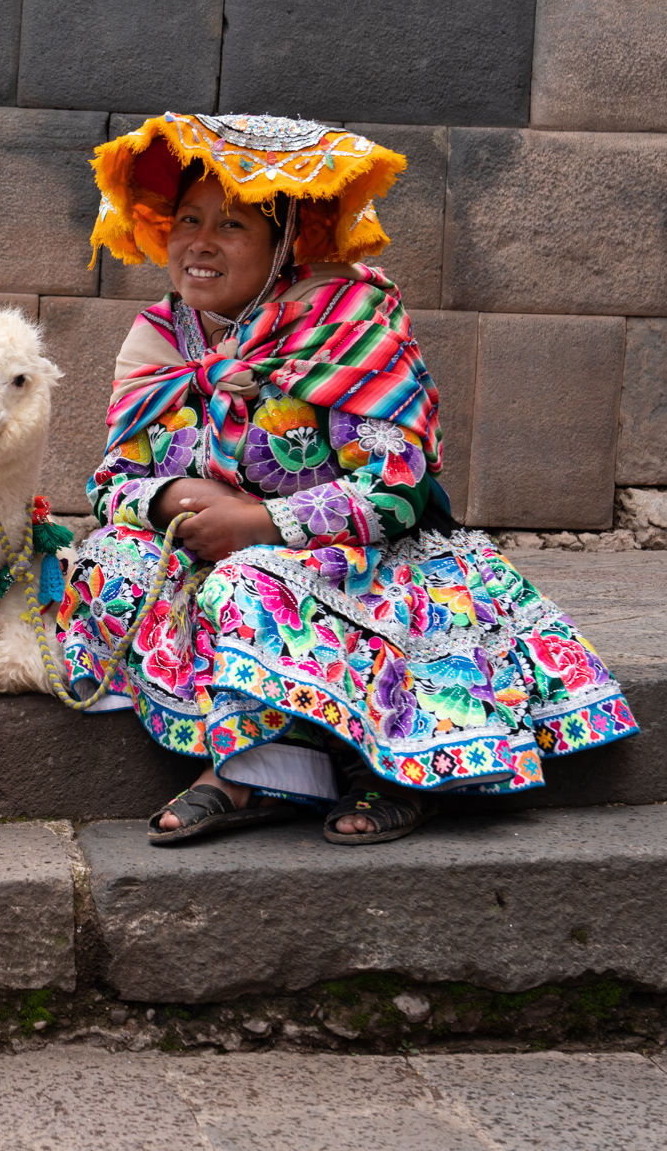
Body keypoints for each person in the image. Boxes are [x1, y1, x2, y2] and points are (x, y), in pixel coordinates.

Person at [64, 113, 637, 847]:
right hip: (217, 550)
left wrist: (259, 523)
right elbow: (114, 478)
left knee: (250, 580)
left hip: (365, 565)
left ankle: (382, 764)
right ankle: (278, 767)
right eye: (187, 219)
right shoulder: (159, 338)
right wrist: (174, 498)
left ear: (287, 243)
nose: (199, 243)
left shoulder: (347, 325)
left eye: (232, 225)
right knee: (108, 563)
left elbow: (396, 491)